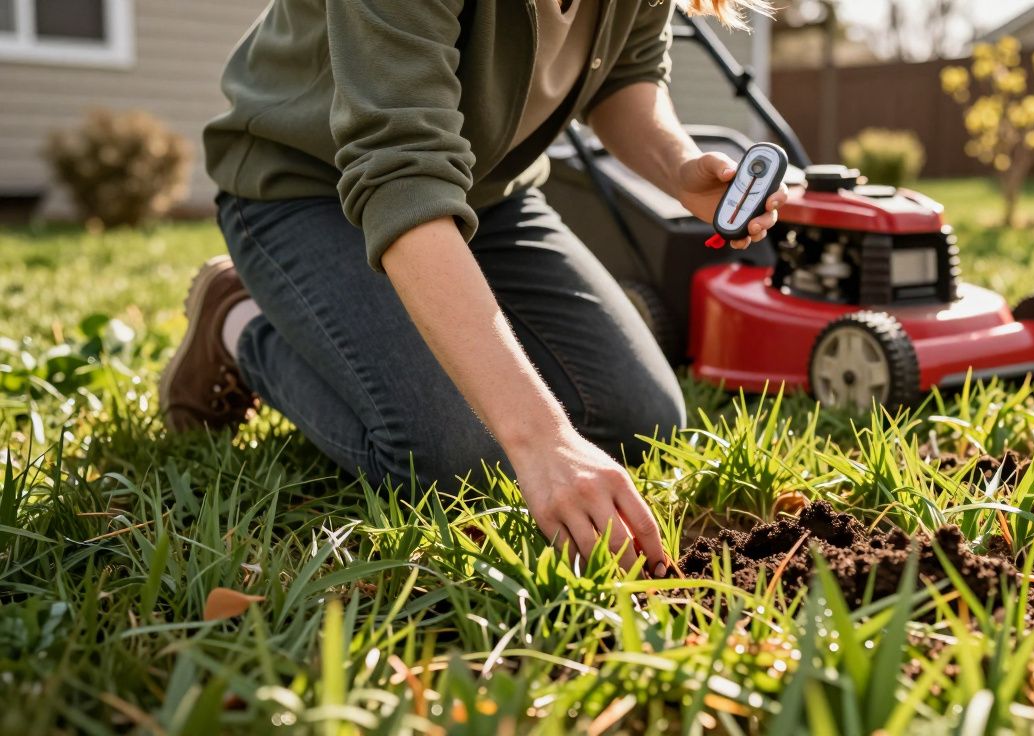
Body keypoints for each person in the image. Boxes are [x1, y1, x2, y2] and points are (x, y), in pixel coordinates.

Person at [160, 0, 784, 578]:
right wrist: (542, 440)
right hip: (304, 188)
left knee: (641, 416)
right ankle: (238, 322)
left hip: (487, 195)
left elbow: (627, 77)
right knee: (454, 460)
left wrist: (679, 167)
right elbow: (402, 175)